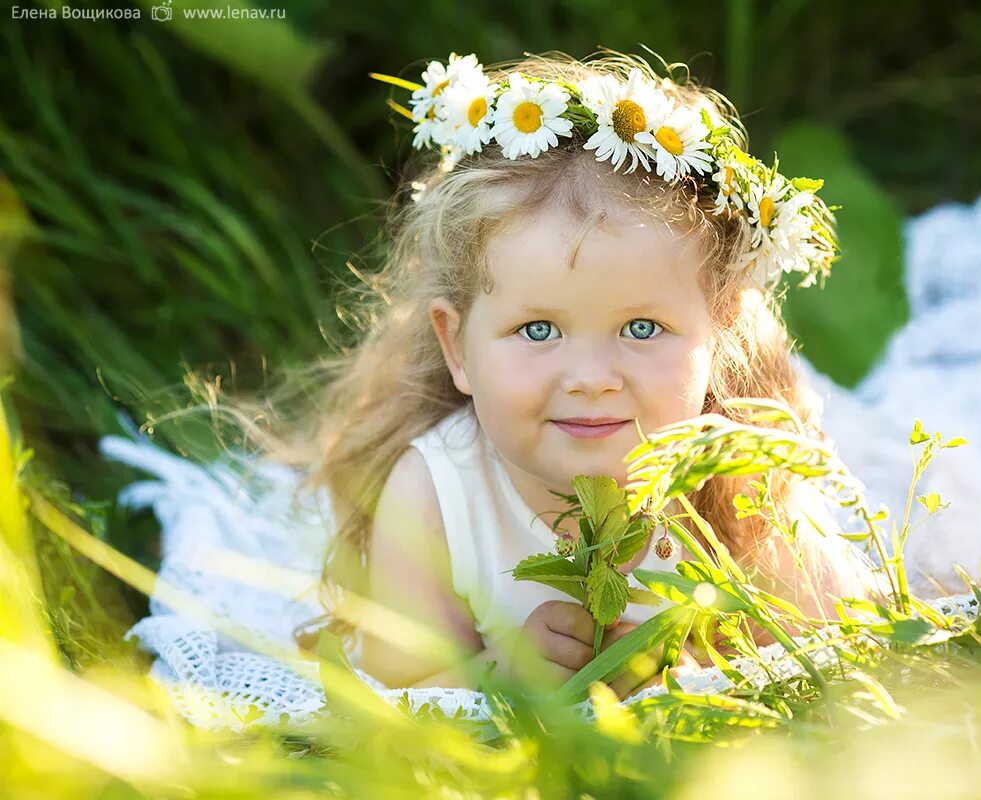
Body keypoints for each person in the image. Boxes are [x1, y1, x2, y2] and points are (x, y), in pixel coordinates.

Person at [243, 52, 879, 698]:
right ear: (457, 346)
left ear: (719, 333)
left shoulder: (743, 476)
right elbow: (400, 693)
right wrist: (504, 672)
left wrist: (707, 677)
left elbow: (842, 649)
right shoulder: (438, 494)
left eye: (641, 328)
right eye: (539, 331)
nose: (592, 378)